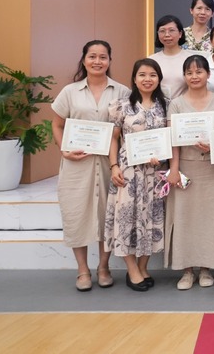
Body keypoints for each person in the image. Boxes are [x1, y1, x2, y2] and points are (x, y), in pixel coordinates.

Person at [51, 40, 130, 292]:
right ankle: (82, 270)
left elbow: (126, 128)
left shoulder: (122, 92)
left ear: (110, 60)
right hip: (77, 165)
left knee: (107, 215)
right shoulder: (70, 91)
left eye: (103, 57)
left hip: (110, 165)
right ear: (84, 59)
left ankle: (103, 267)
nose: (98, 61)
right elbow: (57, 124)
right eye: (92, 56)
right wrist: (64, 149)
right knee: (77, 215)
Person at [105, 59, 169, 292]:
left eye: (153, 75)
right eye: (142, 74)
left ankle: (143, 267)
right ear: (134, 78)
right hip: (128, 172)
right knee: (126, 219)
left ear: (159, 79)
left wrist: (162, 155)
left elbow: (171, 139)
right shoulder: (121, 105)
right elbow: (114, 139)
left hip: (155, 173)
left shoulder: (167, 105)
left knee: (151, 219)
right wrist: (114, 166)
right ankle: (132, 269)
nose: (147, 79)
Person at [164, 55, 214, 290]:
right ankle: (187, 270)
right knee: (185, 218)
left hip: (212, 167)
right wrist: (174, 169)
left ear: (208, 74)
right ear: (184, 76)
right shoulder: (177, 104)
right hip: (185, 167)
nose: (194, 76)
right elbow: (173, 140)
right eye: (189, 73)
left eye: (199, 71)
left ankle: (207, 267)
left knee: (209, 218)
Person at [149, 14, 190, 99]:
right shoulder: (151, 60)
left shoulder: (190, 59)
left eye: (171, 30)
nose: (167, 34)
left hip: (183, 105)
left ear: (180, 33)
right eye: (162, 31)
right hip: (158, 105)